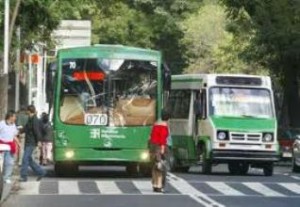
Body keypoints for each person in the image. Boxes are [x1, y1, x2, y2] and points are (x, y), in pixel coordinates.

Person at [20, 105, 46, 182]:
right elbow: (26, 128)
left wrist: (39, 141)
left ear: (29, 111)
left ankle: (23, 176)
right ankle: (41, 172)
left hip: (31, 142)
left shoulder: (34, 120)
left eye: (26, 111)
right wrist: (19, 131)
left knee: (25, 159)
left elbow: (36, 131)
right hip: (28, 142)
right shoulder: (30, 119)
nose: (25, 112)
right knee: (29, 160)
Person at [149, 110, 170, 193]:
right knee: (161, 168)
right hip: (159, 147)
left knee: (155, 167)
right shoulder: (164, 126)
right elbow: (162, 139)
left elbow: (151, 136)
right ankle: (160, 186)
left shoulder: (156, 124)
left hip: (152, 146)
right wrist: (162, 150)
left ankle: (154, 184)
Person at [0, 110, 19, 184]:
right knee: (1, 163)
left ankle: (6, 177)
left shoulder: (13, 125)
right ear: (10, 117)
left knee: (9, 163)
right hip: (1, 146)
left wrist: (18, 143)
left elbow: (14, 135)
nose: (15, 118)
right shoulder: (1, 123)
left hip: (10, 147)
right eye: (14, 116)